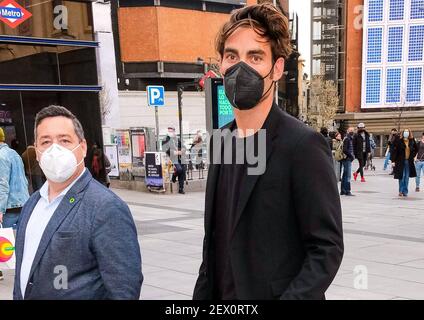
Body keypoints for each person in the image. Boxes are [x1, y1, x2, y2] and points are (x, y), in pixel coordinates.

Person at [193, 3, 343, 300]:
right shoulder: (222, 140)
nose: (240, 67)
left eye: (255, 56)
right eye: (232, 55)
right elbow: (214, 244)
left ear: (276, 68)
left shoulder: (303, 146)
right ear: (221, 65)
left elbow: (326, 248)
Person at [13, 105, 143, 299]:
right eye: (45, 142)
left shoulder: (106, 207)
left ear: (82, 147)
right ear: (37, 151)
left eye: (64, 140)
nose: (54, 149)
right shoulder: (32, 203)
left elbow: (124, 288)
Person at [0, 127, 30, 282]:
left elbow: (2, 184)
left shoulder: (0, 156)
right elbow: (23, 179)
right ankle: (26, 269)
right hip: (23, 203)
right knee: (21, 239)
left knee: (3, 238)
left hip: (9, 206)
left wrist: (0, 209)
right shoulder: (14, 153)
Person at [391, 129, 418, 197]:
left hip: (408, 161)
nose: (406, 133)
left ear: (409, 133)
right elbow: (394, 150)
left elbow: (416, 149)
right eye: (405, 132)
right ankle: (400, 191)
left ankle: (405, 191)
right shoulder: (398, 140)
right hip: (400, 161)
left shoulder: (411, 140)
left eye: (407, 132)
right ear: (403, 133)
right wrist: (393, 161)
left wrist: (413, 155)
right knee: (402, 176)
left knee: (406, 177)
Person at [162, 127, 187, 194]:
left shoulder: (177, 139)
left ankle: (181, 188)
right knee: (179, 169)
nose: (171, 132)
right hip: (172, 158)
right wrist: (175, 152)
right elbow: (165, 149)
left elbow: (184, 147)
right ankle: (174, 176)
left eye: (172, 131)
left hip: (180, 158)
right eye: (169, 131)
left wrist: (182, 150)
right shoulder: (165, 139)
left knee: (182, 171)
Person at [340, 127, 355, 196]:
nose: (352, 131)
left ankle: (343, 190)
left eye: (353, 130)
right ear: (347, 131)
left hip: (346, 159)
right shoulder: (347, 139)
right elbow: (345, 150)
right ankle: (347, 191)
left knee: (345, 175)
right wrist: (351, 156)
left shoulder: (348, 138)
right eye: (350, 130)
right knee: (348, 175)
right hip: (347, 159)